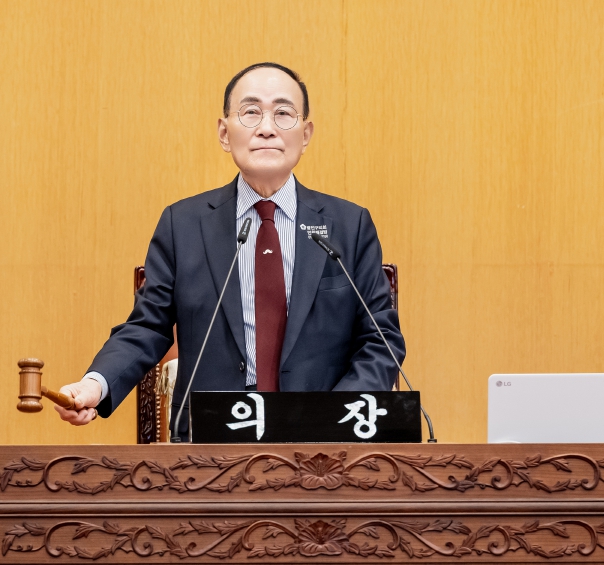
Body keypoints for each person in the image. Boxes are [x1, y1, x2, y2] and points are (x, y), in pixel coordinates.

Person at [55, 62, 405, 439]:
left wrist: (330, 419)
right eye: (251, 112)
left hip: (321, 445)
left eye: (283, 113)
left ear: (305, 135)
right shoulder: (183, 225)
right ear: (224, 133)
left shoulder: (349, 226)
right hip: (210, 444)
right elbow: (148, 326)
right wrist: (96, 384)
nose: (267, 127)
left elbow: (381, 340)